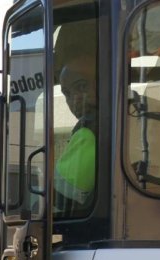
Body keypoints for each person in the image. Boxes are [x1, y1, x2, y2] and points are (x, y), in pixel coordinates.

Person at [53, 49, 98, 216]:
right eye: (67, 94)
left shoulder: (88, 133)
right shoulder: (135, 114)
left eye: (81, 86)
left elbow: (59, 200)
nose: (74, 99)